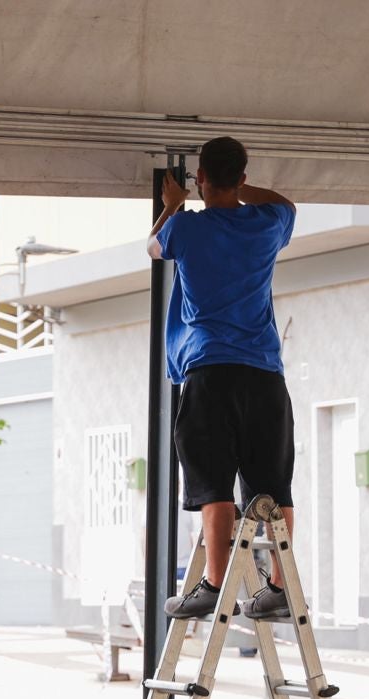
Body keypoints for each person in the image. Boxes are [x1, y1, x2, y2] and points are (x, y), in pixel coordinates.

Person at [148, 135, 299, 621]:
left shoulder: (188, 230)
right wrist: (240, 192)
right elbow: (285, 203)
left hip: (210, 369)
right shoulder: (269, 222)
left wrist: (175, 205)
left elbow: (153, 248)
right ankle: (279, 586)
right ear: (243, 175)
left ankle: (214, 585)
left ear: (201, 178)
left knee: (212, 481)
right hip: (265, 375)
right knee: (273, 484)